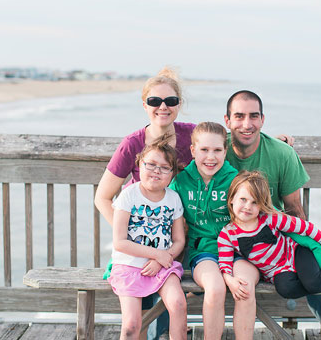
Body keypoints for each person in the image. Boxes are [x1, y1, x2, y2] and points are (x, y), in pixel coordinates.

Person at [223, 90, 321, 340]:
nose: (247, 124)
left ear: (262, 120)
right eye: (239, 116)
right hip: (232, 246)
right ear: (227, 120)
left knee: (319, 282)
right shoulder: (216, 152)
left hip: (279, 245)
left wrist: (320, 254)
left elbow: (296, 212)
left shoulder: (282, 154)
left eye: (254, 116)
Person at [95, 67, 194, 339]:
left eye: (171, 101)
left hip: (177, 242)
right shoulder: (133, 143)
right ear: (144, 105)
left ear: (179, 104)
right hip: (138, 246)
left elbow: (230, 139)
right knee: (138, 319)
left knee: (174, 306)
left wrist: (276, 140)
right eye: (154, 101)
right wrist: (133, 241)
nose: (163, 107)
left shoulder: (192, 137)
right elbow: (103, 197)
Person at [218, 171, 321, 299]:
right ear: (231, 199)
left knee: (312, 282)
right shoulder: (228, 234)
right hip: (275, 271)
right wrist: (230, 280)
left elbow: (306, 228)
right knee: (286, 290)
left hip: (296, 253)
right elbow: (225, 264)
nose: (247, 207)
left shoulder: (269, 218)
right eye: (243, 199)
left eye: (254, 202)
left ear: (261, 205)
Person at [170, 122, 249, 339]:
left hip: (237, 251)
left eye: (217, 150)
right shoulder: (181, 181)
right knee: (215, 288)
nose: (210, 157)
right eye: (204, 150)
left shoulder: (236, 180)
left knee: (245, 287)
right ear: (193, 151)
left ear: (226, 151)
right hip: (203, 251)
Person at [109, 138, 187, 340]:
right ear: (139, 164)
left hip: (162, 266)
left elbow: (178, 240)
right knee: (131, 326)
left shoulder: (173, 198)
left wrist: (160, 259)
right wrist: (156, 254)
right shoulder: (128, 195)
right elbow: (120, 242)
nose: (156, 171)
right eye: (151, 164)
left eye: (164, 168)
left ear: (172, 174)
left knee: (178, 304)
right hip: (129, 265)